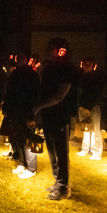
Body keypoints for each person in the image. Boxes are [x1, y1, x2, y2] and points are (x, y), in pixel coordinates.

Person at [34, 38, 78, 200]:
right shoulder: (49, 67)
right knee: (52, 150)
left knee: (61, 151)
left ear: (61, 50)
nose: (48, 51)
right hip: (48, 115)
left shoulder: (67, 68)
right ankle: (57, 180)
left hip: (60, 115)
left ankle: (63, 186)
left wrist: (40, 105)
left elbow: (60, 95)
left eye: (51, 48)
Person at [2, 51, 40, 179]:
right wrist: (6, 107)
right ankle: (22, 163)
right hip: (15, 111)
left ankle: (31, 168)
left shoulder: (33, 75)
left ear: (27, 59)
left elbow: (36, 96)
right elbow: (9, 92)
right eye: (18, 57)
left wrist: (33, 114)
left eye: (22, 57)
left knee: (29, 139)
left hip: (27, 111)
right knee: (18, 137)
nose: (19, 59)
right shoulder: (14, 73)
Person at [76, 57, 105, 160]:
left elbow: (97, 94)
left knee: (95, 130)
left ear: (93, 66)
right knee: (85, 129)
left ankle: (96, 152)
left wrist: (88, 107)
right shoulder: (80, 76)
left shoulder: (96, 77)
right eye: (85, 64)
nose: (87, 66)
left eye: (89, 64)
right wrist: (79, 105)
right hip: (82, 107)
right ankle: (85, 149)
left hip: (92, 107)